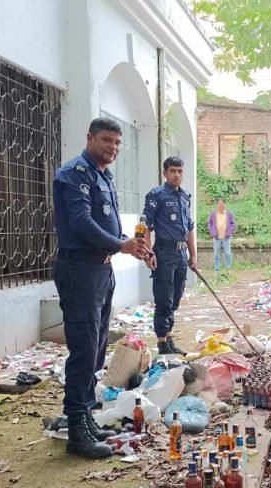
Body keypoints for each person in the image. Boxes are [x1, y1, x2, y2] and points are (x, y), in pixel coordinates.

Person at [52, 117, 151, 459]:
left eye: (117, 142)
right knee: (83, 348)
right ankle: (76, 429)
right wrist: (121, 244)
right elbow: (81, 223)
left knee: (95, 348)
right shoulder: (74, 174)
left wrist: (129, 247)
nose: (113, 147)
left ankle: (86, 416)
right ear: (89, 137)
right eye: (106, 140)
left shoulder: (102, 176)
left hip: (100, 271)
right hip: (79, 269)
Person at [143, 157, 199, 356]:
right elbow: (145, 226)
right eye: (173, 171)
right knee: (164, 299)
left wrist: (193, 255)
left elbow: (190, 228)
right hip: (164, 253)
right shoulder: (156, 195)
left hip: (181, 253)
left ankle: (169, 337)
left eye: (180, 171)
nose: (177, 175)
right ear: (165, 173)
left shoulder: (184, 197)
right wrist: (147, 253)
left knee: (175, 298)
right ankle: (161, 343)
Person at [207, 199, 235, 272]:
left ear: (224, 204)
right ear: (217, 204)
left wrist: (230, 231)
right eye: (219, 203)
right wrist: (211, 230)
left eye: (222, 203)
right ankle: (217, 269)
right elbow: (209, 223)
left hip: (226, 237)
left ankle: (228, 269)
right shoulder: (213, 214)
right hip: (216, 237)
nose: (220, 205)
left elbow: (232, 223)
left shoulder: (229, 214)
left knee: (228, 253)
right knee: (216, 254)